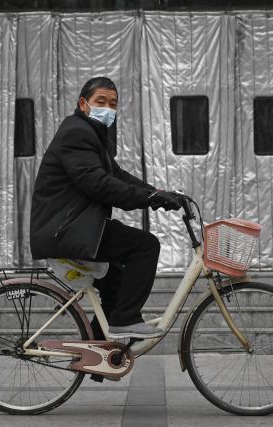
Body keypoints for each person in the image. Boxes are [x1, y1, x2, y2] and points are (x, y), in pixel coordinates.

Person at [30, 76, 181, 343]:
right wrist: (148, 199)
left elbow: (116, 174)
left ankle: (97, 353)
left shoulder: (90, 132)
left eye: (113, 104)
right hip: (67, 229)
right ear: (83, 103)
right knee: (145, 245)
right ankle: (126, 321)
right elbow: (98, 184)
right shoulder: (77, 132)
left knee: (117, 284)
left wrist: (156, 193)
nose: (108, 108)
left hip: (77, 226)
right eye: (101, 101)